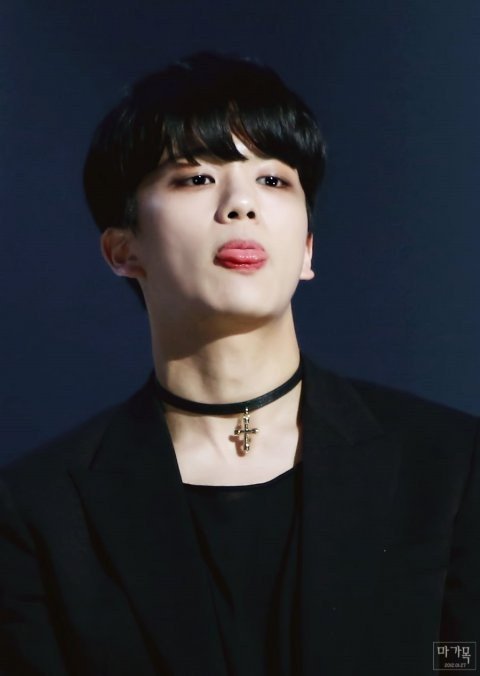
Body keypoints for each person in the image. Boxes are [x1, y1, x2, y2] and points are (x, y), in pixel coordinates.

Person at [0, 52, 478, 676]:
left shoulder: (451, 466)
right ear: (123, 249)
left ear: (306, 249)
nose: (241, 204)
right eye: (196, 178)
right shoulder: (38, 512)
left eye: (273, 180)